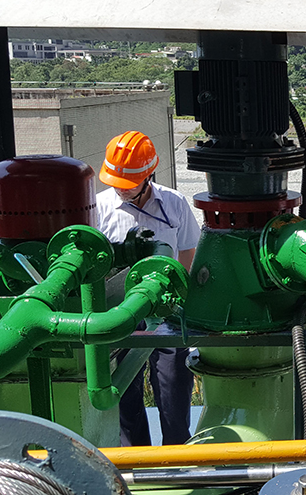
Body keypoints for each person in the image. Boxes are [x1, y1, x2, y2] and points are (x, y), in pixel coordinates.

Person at [95, 130, 201, 447]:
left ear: (148, 175)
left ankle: (178, 460)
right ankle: (136, 464)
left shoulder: (173, 204)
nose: (121, 190)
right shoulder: (99, 208)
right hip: (120, 313)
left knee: (173, 387)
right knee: (124, 396)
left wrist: (177, 298)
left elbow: (188, 252)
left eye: (128, 184)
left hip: (168, 312)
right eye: (116, 182)